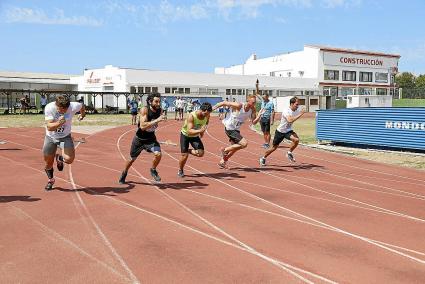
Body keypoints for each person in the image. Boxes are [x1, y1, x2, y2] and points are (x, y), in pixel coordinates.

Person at [119, 93, 165, 184]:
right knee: (131, 160)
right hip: (139, 139)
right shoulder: (144, 110)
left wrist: (160, 119)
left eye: (159, 101)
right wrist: (157, 120)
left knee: (158, 154)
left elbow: (155, 122)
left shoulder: (160, 110)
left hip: (151, 139)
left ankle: (153, 170)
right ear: (150, 101)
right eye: (156, 101)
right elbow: (142, 126)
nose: (158, 104)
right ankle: (124, 173)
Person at [43, 95, 85, 191]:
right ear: (56, 105)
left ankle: (59, 158)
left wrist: (82, 115)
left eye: (65, 110)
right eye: (61, 109)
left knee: (69, 159)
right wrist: (60, 123)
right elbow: (49, 127)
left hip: (65, 137)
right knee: (48, 163)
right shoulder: (49, 107)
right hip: (51, 137)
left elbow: (82, 106)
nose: (63, 111)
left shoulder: (73, 106)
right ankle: (51, 179)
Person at [213, 95, 264, 169]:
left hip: (236, 129)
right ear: (247, 101)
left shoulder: (253, 109)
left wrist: (259, 115)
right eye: (253, 102)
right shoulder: (239, 105)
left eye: (255, 103)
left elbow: (254, 122)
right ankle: (225, 150)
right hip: (230, 128)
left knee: (234, 148)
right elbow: (224, 103)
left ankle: (223, 161)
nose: (254, 104)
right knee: (244, 143)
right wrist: (212, 108)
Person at [259, 96, 305, 166]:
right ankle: (263, 157)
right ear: (292, 104)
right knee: (274, 148)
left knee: (296, 140)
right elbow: (290, 120)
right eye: (297, 104)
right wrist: (301, 114)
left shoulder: (297, 110)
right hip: (280, 131)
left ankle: (289, 152)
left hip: (288, 131)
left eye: (298, 104)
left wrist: (300, 112)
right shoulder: (286, 110)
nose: (298, 106)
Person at [178, 102, 212, 177]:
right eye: (206, 114)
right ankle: (180, 170)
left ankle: (188, 151)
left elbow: (206, 123)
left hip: (195, 136)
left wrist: (202, 132)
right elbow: (189, 131)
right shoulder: (192, 116)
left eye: (208, 114)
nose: (207, 115)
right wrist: (200, 131)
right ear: (202, 110)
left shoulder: (207, 115)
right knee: (184, 156)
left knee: (201, 153)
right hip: (185, 135)